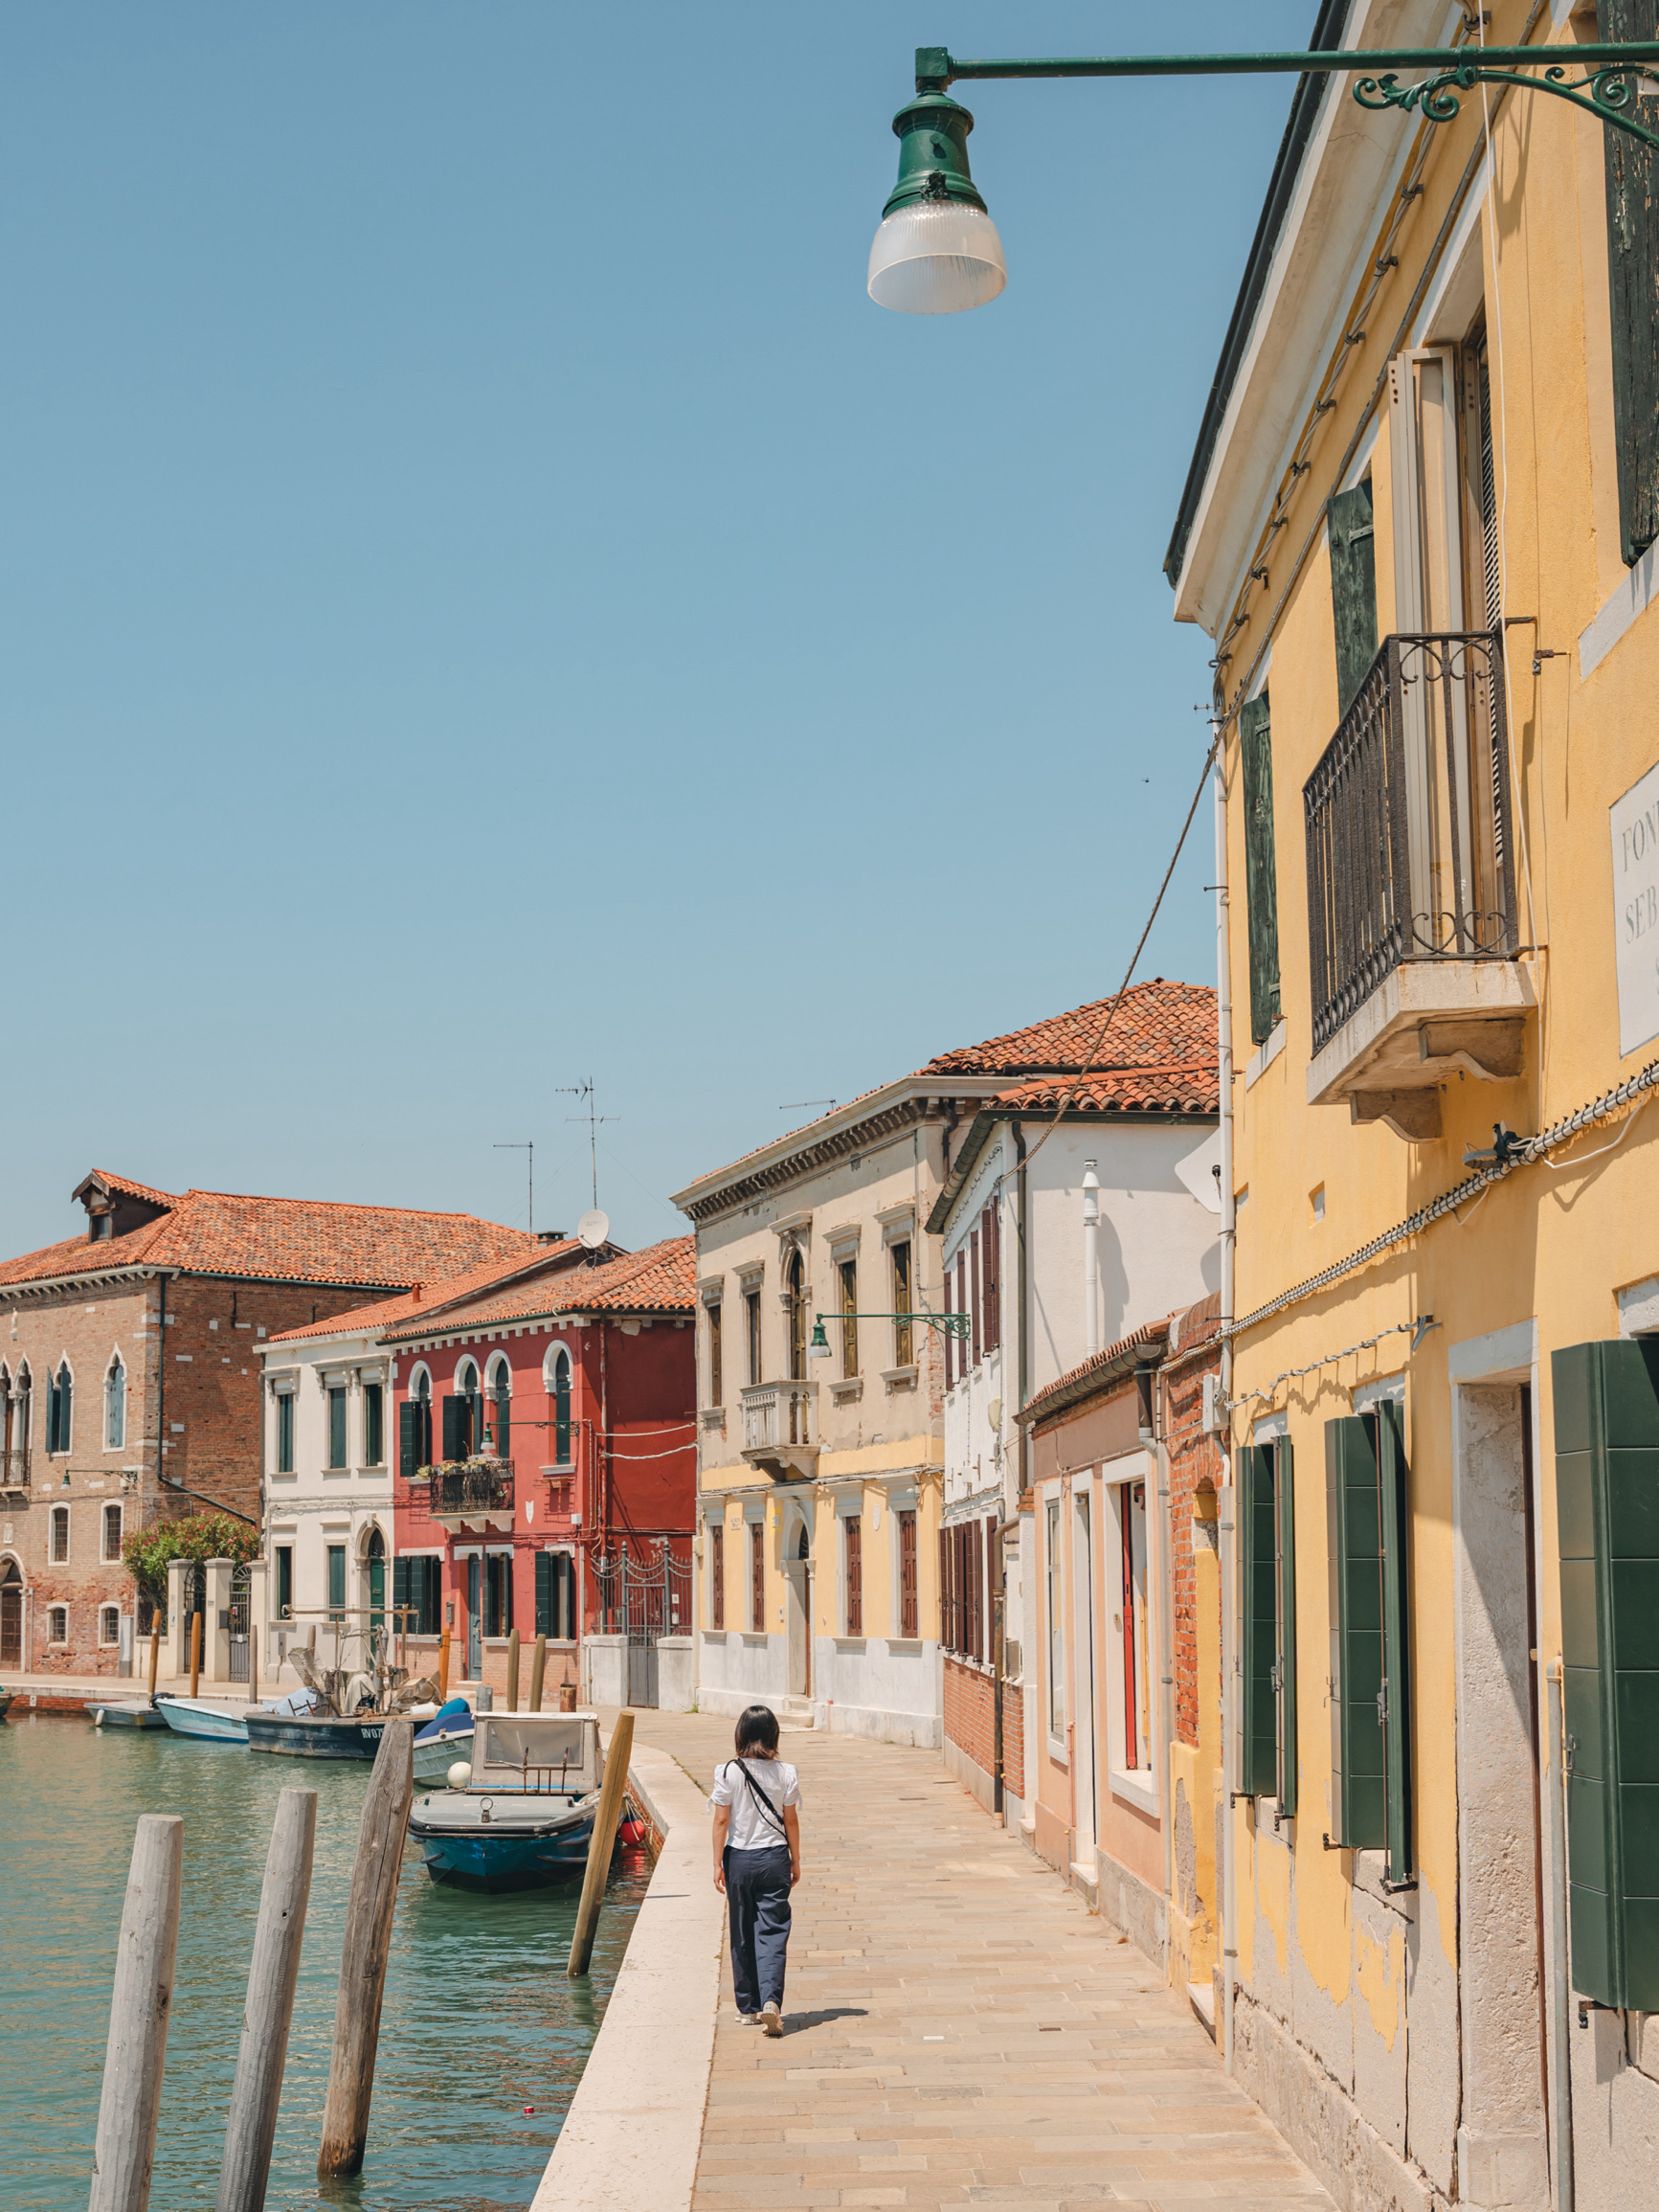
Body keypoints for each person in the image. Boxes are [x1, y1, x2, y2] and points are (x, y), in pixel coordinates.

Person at [710, 1703, 801, 2036]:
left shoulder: (727, 1772)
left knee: (741, 1931)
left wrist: (716, 1863)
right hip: (774, 1858)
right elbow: (790, 1820)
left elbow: (721, 1821)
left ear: (740, 1734)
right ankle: (771, 2001)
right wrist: (796, 1859)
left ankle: (748, 2008)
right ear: (773, 1735)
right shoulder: (786, 1772)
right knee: (773, 1931)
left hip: (738, 1859)